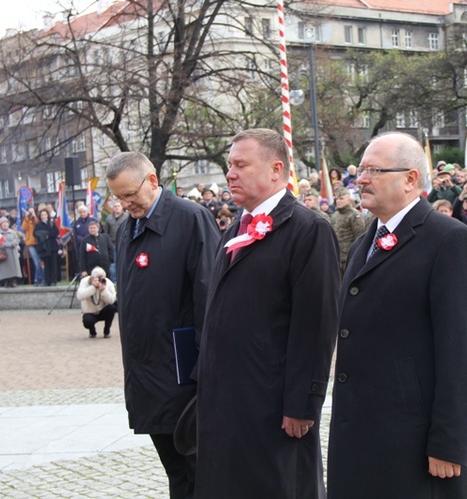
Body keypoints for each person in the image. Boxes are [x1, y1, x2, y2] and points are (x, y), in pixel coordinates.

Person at [327, 132, 467, 498]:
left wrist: (449, 442)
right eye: (361, 170)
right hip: (361, 436)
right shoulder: (366, 242)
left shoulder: (448, 241)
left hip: (411, 441)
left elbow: (463, 352)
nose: (361, 179)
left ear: (411, 179)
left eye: (374, 170)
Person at [196, 129, 340, 498]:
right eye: (229, 165)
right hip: (226, 400)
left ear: (277, 170)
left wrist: (302, 404)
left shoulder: (308, 230)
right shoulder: (233, 229)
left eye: (241, 165)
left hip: (272, 404)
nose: (230, 174)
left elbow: (316, 325)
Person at [106, 151, 219, 498]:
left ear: (152, 181)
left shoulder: (191, 219)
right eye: (118, 197)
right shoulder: (128, 229)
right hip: (149, 376)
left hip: (185, 377)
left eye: (130, 195)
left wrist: (205, 370)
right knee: (177, 473)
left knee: (198, 474)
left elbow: (210, 299)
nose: (126, 204)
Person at [331, 186, 366, 277]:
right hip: (337, 257)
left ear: (349, 200)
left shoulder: (355, 215)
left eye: (341, 198)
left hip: (349, 258)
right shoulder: (334, 216)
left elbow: (360, 237)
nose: (338, 201)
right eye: (337, 199)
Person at [76, 266, 117, 338]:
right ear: (92, 278)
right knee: (87, 321)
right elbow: (80, 296)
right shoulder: (85, 282)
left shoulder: (108, 283)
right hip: (90, 312)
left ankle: (107, 331)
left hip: (102, 310)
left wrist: (104, 290)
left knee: (111, 308)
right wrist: (93, 287)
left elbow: (112, 300)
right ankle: (92, 331)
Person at [104, 199, 128, 281]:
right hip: (112, 243)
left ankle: (124, 279)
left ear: (122, 207)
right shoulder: (109, 218)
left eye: (118, 206)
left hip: (124, 243)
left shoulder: (127, 217)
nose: (117, 208)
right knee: (114, 263)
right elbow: (106, 232)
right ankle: (114, 280)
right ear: (113, 208)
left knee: (124, 261)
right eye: (115, 206)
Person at [34, 208, 59, 287]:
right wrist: (44, 235)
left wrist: (48, 235)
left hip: (52, 246)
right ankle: (47, 280)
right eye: (42, 215)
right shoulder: (38, 225)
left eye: (45, 215)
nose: (44, 216)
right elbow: (36, 234)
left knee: (54, 264)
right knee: (46, 265)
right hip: (44, 247)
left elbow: (56, 232)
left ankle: (53, 280)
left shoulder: (51, 223)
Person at [22, 207, 45, 286]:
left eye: (32, 211)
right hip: (30, 243)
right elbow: (24, 228)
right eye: (30, 212)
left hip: (38, 243)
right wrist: (27, 218)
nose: (31, 213)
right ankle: (38, 279)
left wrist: (34, 217)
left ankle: (39, 279)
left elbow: (39, 225)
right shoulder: (27, 220)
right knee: (36, 262)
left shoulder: (36, 220)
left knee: (40, 262)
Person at [0, 216, 22, 287]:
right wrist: (6, 245)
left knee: (13, 267)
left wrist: (12, 244)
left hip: (12, 252)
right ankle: (6, 281)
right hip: (3, 253)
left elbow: (17, 240)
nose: (5, 225)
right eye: (3, 223)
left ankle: (13, 281)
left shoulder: (12, 232)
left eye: (6, 223)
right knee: (5, 268)